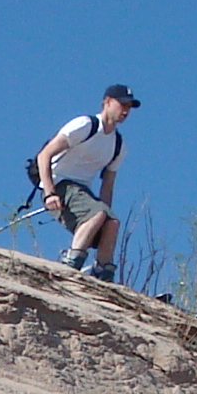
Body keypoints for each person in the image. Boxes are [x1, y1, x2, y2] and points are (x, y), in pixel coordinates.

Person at [33, 85, 140, 282]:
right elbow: (44, 155)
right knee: (97, 213)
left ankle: (102, 274)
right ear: (107, 102)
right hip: (59, 183)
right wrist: (49, 192)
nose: (126, 110)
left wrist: (105, 220)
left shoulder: (118, 145)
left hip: (83, 191)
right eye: (122, 104)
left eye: (130, 107)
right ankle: (70, 264)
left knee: (112, 222)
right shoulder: (85, 125)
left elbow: (108, 184)